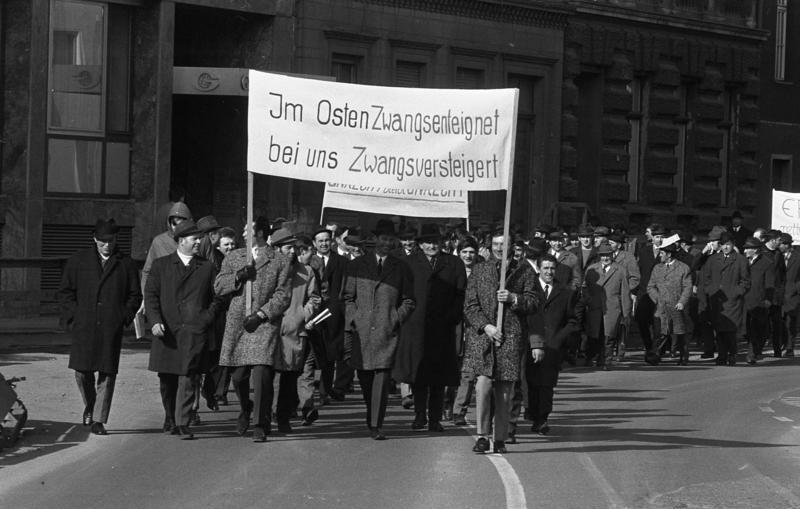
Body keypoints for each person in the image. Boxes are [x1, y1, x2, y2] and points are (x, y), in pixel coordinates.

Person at [57, 219, 142, 435]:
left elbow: (135, 295)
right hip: (84, 325)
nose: (107, 245)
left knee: (107, 372)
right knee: (81, 372)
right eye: (102, 241)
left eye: (111, 241)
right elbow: (66, 292)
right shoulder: (78, 261)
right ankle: (91, 405)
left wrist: (123, 316)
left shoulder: (126, 264)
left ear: (116, 239)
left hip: (110, 327)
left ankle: (98, 419)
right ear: (94, 239)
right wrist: (74, 316)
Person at [215, 217, 292, 442]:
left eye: (248, 229)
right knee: (238, 377)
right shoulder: (234, 256)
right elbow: (219, 286)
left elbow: (283, 294)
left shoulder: (279, 260)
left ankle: (260, 423)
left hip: (263, 323)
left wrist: (262, 315)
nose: (244, 233)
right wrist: (238, 277)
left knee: (262, 375)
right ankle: (246, 407)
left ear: (259, 233)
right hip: (238, 322)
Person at [463, 229, 539, 454]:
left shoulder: (524, 270)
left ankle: (500, 437)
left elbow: (534, 302)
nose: (498, 248)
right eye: (495, 244)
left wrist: (514, 298)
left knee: (505, 391)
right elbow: (470, 305)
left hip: (510, 337)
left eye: (503, 244)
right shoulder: (479, 270)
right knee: (483, 386)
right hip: (484, 338)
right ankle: (482, 436)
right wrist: (486, 326)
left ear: (511, 246)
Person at [145, 220, 221, 440]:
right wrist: (155, 321)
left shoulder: (206, 267)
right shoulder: (161, 265)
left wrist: (205, 318)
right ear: (180, 241)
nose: (199, 242)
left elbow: (218, 297)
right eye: (194, 239)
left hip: (193, 331)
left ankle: (183, 422)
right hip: (167, 331)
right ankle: (170, 416)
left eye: (199, 238)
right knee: (167, 380)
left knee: (188, 377)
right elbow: (150, 296)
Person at [342, 219, 415, 440]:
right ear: (374, 240)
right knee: (365, 379)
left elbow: (409, 300)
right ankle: (371, 413)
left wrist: (394, 318)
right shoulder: (356, 266)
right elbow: (347, 297)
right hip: (362, 332)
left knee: (382, 381)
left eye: (390, 240)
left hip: (386, 331)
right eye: (383, 239)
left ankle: (376, 424)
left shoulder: (401, 267)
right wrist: (355, 317)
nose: (386, 243)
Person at [393, 223, 466, 432]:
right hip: (414, 326)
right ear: (420, 244)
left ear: (441, 243)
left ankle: (435, 418)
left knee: (438, 376)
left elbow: (461, 295)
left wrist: (452, 317)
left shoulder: (453, 264)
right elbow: (401, 293)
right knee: (417, 374)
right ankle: (419, 415)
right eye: (427, 242)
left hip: (443, 327)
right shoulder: (407, 263)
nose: (432, 245)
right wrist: (404, 317)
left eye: (435, 241)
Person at [526, 254, 582, 435]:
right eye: (545, 268)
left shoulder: (565, 292)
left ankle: (542, 419)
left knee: (546, 384)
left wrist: (558, 339)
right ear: (539, 269)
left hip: (552, 346)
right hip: (529, 342)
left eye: (552, 268)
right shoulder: (530, 289)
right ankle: (533, 414)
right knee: (531, 383)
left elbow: (573, 321)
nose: (549, 272)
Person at [271, 231, 321, 432]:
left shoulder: (306, 271)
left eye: (295, 248)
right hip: (271, 330)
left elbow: (314, 298)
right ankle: (267, 414)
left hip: (294, 331)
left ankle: (283, 417)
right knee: (268, 377)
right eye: (288, 247)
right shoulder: (269, 270)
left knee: (289, 378)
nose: (293, 251)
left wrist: (304, 314)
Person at [310, 227, 349, 403]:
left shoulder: (341, 261)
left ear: (331, 241)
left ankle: (325, 391)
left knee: (330, 353)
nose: (324, 244)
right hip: (313, 311)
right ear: (314, 243)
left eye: (327, 240)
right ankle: (307, 393)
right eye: (320, 241)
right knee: (312, 353)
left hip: (333, 312)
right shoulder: (308, 261)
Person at [698, 232, 750, 366]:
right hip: (717, 300)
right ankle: (721, 355)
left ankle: (732, 354)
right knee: (719, 330)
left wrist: (736, 292)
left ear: (733, 245)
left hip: (733, 301)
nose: (726, 247)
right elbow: (706, 278)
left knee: (730, 331)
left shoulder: (740, 260)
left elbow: (746, 282)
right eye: (723, 245)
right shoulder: (713, 259)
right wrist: (710, 290)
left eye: (728, 245)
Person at [582, 242, 631, 369]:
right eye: (602, 255)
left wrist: (626, 313)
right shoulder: (591, 269)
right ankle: (590, 357)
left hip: (612, 308)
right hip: (594, 307)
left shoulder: (620, 270)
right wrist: (588, 300)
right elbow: (584, 287)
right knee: (593, 335)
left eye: (608, 255)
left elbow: (625, 292)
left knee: (608, 336)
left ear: (612, 255)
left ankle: (606, 361)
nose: (605, 258)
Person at [447, 236, 479, 425]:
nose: (468, 255)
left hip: (474, 327)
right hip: (454, 326)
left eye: (472, 252)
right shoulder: (451, 270)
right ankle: (446, 403)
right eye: (464, 252)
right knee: (451, 368)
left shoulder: (481, 272)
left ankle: (459, 410)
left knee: (468, 372)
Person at [646, 240, 693, 365]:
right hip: (661, 307)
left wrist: (682, 302)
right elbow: (650, 286)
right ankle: (655, 356)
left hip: (677, 306)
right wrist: (658, 299)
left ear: (669, 254)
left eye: (662, 253)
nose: (659, 255)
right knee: (660, 333)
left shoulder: (683, 268)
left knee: (680, 332)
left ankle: (683, 356)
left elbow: (688, 287)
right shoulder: (657, 268)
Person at [635, 224, 666, 359]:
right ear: (652, 238)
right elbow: (640, 270)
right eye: (657, 236)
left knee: (658, 323)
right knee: (641, 320)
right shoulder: (644, 251)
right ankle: (648, 346)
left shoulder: (667, 252)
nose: (659, 239)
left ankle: (656, 350)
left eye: (661, 237)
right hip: (644, 292)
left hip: (660, 293)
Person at [743, 237, 775, 364]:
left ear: (755, 250)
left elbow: (770, 283)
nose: (744, 251)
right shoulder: (742, 261)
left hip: (759, 301)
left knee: (757, 328)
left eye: (747, 249)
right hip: (743, 300)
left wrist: (768, 298)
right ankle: (754, 348)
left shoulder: (767, 263)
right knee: (746, 329)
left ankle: (752, 353)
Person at [780, 233, 799, 357]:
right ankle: (781, 343)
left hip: (793, 295)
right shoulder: (776, 256)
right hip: (779, 294)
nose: (779, 246)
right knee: (779, 321)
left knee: (791, 322)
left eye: (781, 244)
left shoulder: (798, 257)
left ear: (787, 245)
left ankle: (790, 347)